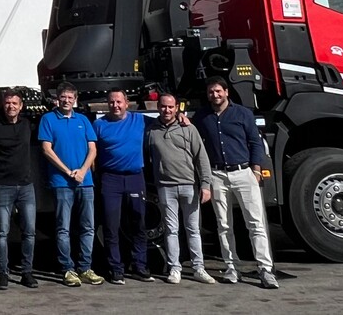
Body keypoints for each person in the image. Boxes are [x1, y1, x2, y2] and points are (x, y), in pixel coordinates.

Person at [192, 76, 280, 289]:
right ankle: (232, 267)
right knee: (223, 224)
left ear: (226, 92)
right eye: (211, 92)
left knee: (255, 223)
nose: (215, 95)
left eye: (218, 91)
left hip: (243, 172)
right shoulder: (202, 116)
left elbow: (255, 142)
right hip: (217, 175)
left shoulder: (243, 114)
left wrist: (256, 170)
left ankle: (265, 269)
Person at [146, 92, 217, 284]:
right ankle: (174, 268)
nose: (167, 110)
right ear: (157, 107)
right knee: (171, 230)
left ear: (177, 108)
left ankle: (199, 268)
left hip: (189, 186)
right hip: (165, 187)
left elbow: (201, 157)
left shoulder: (189, 128)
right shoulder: (151, 130)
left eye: (171, 107)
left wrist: (206, 184)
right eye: (163, 106)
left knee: (193, 229)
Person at [38, 82, 103, 287]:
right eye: (63, 97)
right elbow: (46, 149)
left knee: (88, 227)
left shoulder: (83, 120)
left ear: (75, 99)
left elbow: (93, 149)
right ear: (57, 99)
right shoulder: (48, 119)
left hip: (85, 182)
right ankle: (67, 269)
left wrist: (82, 171)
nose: (66, 101)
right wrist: (67, 171)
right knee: (63, 228)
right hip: (62, 183)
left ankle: (85, 268)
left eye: (70, 97)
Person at [0, 89, 37, 290]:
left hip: (26, 186)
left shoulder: (27, 125)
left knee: (29, 232)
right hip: (3, 186)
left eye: (14, 103)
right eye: (8, 103)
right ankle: (3, 273)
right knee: (2, 232)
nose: (11, 106)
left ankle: (27, 273)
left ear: (21, 106)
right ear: (3, 105)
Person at [92, 88, 152, 283]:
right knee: (111, 225)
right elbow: (91, 150)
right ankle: (115, 268)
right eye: (112, 102)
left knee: (138, 223)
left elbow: (164, 121)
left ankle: (140, 266)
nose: (115, 105)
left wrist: (182, 118)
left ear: (127, 103)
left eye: (119, 102)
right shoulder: (99, 125)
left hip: (135, 177)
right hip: (110, 179)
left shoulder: (140, 120)